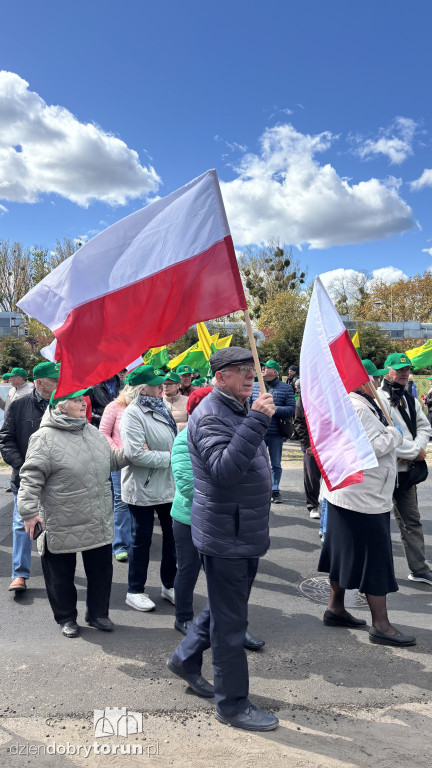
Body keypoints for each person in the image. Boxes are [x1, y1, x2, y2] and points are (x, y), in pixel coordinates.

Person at [167, 347, 279, 732]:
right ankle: (232, 705)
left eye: (253, 369)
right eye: (240, 370)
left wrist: (253, 419)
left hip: (240, 528)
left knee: (224, 607)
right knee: (231, 623)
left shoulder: (236, 409)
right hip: (226, 533)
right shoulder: (212, 415)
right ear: (219, 377)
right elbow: (224, 471)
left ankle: (185, 657)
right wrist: (258, 421)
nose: (251, 375)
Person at [18, 388, 127, 638]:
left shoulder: (91, 431)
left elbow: (108, 460)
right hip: (61, 517)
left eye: (83, 399)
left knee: (101, 570)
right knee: (60, 573)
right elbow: (30, 477)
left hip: (96, 515)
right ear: (60, 406)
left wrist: (130, 454)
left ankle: (98, 613)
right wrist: (28, 512)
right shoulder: (43, 438)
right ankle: (66, 617)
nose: (82, 403)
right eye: (76, 400)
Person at [319, 380, 416, 647]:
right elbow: (370, 447)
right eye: (371, 378)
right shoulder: (357, 407)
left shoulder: (360, 403)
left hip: (351, 492)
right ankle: (381, 625)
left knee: (341, 553)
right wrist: (395, 434)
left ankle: (335, 608)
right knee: (376, 560)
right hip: (362, 496)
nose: (375, 383)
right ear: (362, 380)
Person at [170, 385, 265, 650]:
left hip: (222, 519)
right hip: (190, 518)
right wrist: (228, 489)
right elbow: (188, 486)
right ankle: (183, 618)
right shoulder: (184, 439)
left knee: (229, 583)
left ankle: (235, 626)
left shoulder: (232, 432)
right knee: (188, 570)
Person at [120, 365, 177, 612]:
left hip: (166, 484)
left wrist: (161, 455)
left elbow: (157, 446)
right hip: (142, 487)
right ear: (142, 389)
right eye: (156, 384)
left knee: (172, 537)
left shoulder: (161, 407)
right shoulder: (132, 414)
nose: (161, 386)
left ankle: (170, 585)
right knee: (140, 539)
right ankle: (135, 590)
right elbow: (135, 454)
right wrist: (171, 458)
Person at [0, 361, 60, 592]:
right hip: (24, 479)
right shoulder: (18, 406)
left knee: (55, 526)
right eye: (54, 380)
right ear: (39, 382)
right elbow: (5, 440)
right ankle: (20, 574)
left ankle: (56, 573)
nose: (58, 384)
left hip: (56, 478)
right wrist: (22, 466)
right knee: (21, 524)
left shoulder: (61, 405)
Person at [378, 353, 432, 585]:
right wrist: (414, 452)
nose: (404, 373)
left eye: (407, 369)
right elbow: (382, 437)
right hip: (383, 473)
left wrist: (418, 449)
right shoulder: (377, 399)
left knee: (412, 521)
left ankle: (419, 569)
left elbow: (424, 426)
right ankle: (376, 570)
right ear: (387, 370)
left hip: (406, 473)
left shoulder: (411, 399)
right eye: (399, 369)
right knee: (378, 523)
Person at [250, 359, 295, 503]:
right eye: (262, 367)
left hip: (275, 433)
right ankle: (260, 488)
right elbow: (248, 406)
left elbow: (291, 409)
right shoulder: (254, 386)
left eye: (267, 367)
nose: (262, 369)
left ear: (275, 371)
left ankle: (275, 490)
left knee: (275, 463)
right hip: (258, 432)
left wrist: (273, 408)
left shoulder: (286, 388)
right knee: (257, 462)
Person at [99, 385, 135, 562]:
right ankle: (120, 544)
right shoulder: (114, 406)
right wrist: (118, 452)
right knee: (121, 502)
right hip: (119, 461)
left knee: (140, 501)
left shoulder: (145, 406)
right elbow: (103, 433)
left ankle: (135, 540)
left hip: (142, 461)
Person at [294, 393, 321, 519]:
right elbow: (299, 421)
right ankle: (313, 505)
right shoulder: (306, 393)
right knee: (312, 476)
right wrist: (306, 444)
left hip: (330, 442)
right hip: (312, 442)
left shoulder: (333, 389)